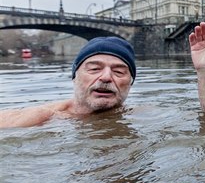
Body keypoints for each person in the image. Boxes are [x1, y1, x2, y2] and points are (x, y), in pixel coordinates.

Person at [0, 37, 136, 128]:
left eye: (118, 72)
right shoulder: (41, 118)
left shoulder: (140, 114)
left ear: (130, 82)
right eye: (94, 69)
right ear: (74, 76)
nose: (106, 77)